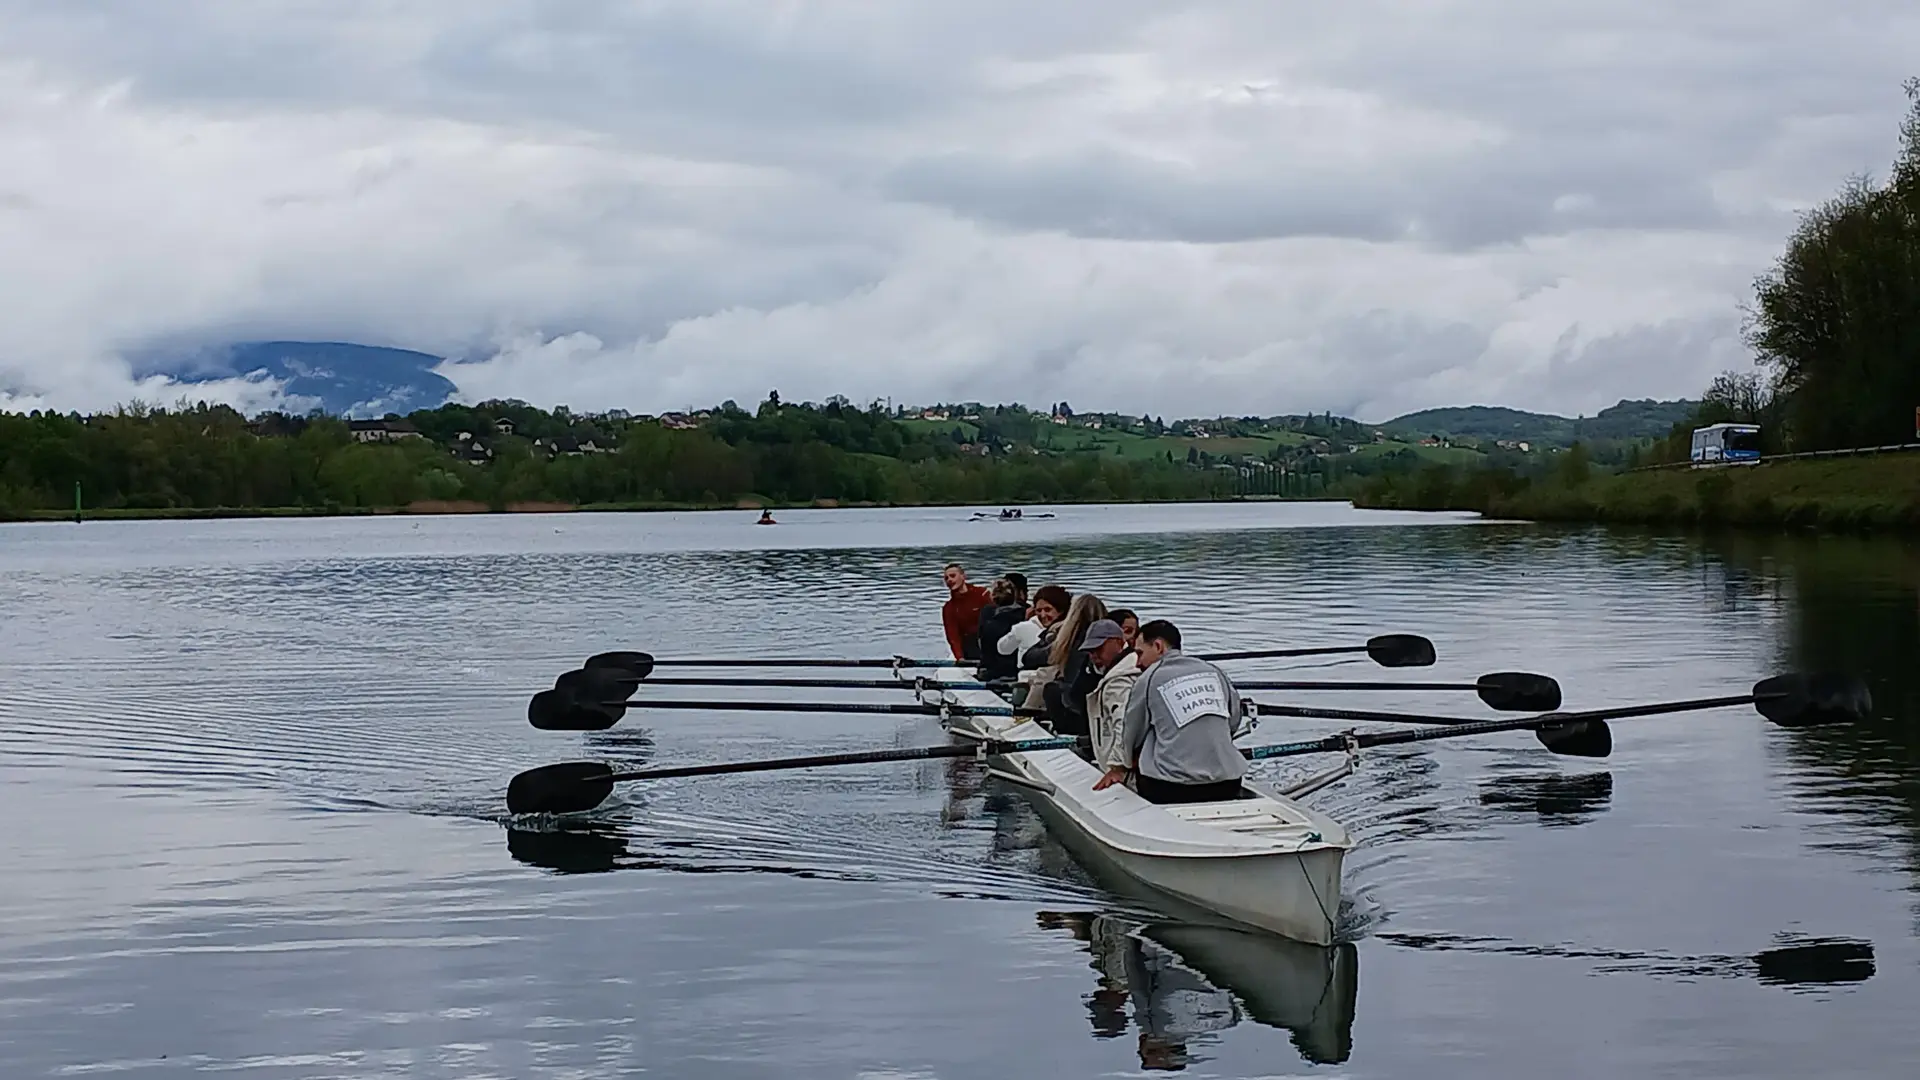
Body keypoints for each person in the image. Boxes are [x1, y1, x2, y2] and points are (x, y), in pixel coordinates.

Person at [1095, 620, 1248, 804]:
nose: (1138, 663)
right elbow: (1233, 721)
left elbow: (1131, 734)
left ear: (1158, 646)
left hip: (1171, 788)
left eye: (1140, 653)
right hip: (1228, 783)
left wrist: (1119, 767)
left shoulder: (1149, 678)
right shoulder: (1215, 672)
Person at [1023, 593, 1106, 709]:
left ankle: (1028, 711)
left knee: (1046, 677)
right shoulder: (1106, 642)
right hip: (1093, 699)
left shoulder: (1066, 639)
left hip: (1070, 701)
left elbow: (1028, 658)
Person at [1086, 618, 1143, 776]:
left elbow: (1123, 723)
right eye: (1090, 651)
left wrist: (1116, 768)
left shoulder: (1118, 682)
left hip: (1123, 773)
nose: (1093, 655)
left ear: (1118, 642)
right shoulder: (1130, 668)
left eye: (1098, 648)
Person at [998, 584, 1069, 666]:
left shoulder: (1071, 629)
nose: (1043, 615)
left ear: (1061, 610)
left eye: (1047, 610)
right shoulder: (1023, 628)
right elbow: (1003, 649)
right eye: (1039, 610)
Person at [973, 578, 1027, 681]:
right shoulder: (1024, 612)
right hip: (1015, 671)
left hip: (992, 671)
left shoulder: (987, 612)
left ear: (993, 597)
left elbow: (981, 641)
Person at [941, 563, 993, 662]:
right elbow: (953, 636)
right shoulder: (949, 608)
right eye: (946, 578)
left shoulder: (982, 594)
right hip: (970, 647)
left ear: (963, 576)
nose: (949, 580)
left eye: (953, 576)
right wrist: (960, 657)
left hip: (989, 640)